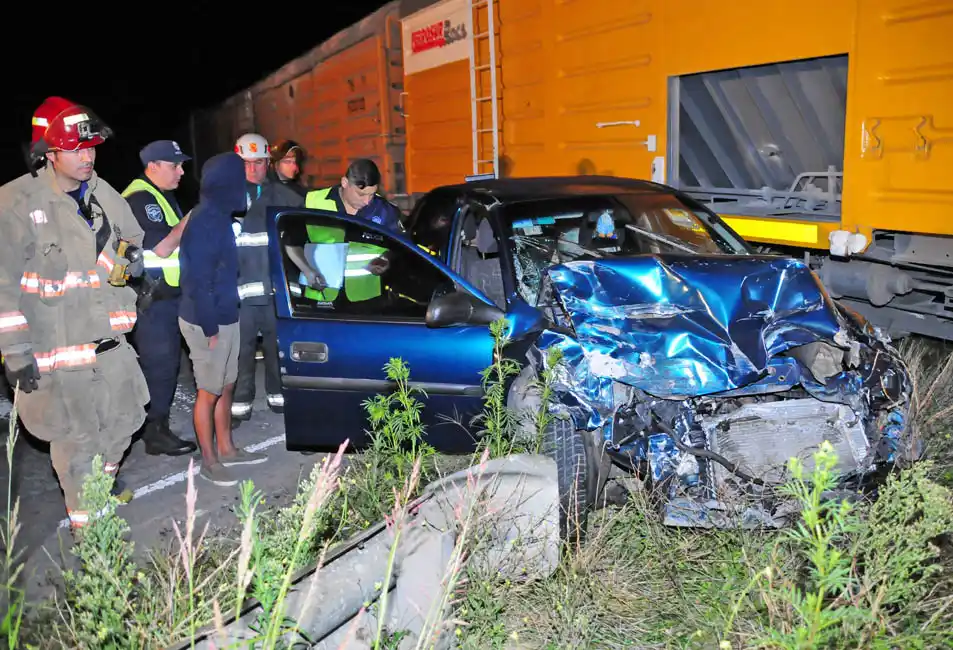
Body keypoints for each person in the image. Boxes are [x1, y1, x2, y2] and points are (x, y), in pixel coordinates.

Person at [0, 96, 149, 531]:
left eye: (91, 148)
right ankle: (93, 538)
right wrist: (16, 353)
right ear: (49, 154)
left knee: (126, 423)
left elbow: (132, 240)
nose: (87, 157)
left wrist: (129, 268)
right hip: (60, 354)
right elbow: (3, 285)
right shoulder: (16, 202)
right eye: (75, 149)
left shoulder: (105, 193)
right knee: (77, 446)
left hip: (111, 344)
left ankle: (100, 491)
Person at [178, 151, 267, 486]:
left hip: (227, 314)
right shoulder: (204, 221)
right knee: (209, 390)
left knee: (226, 384)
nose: (243, 188)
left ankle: (227, 449)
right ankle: (209, 461)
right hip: (207, 320)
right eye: (238, 181)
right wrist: (210, 327)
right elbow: (197, 281)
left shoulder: (220, 217)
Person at [122, 140, 197, 456]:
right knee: (160, 369)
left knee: (167, 367)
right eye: (174, 165)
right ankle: (154, 433)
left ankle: (156, 428)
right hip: (152, 301)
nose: (181, 171)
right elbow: (163, 248)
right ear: (153, 166)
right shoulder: (141, 198)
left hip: (167, 298)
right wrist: (193, 217)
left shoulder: (160, 194)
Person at [230, 134, 304, 425]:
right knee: (241, 353)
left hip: (275, 292)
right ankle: (239, 407)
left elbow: (299, 244)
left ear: (268, 163)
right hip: (241, 295)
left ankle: (280, 400)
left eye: (258, 162)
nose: (253, 169)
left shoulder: (287, 197)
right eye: (246, 163)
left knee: (278, 350)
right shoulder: (225, 200)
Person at [288, 159, 403, 304]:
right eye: (361, 194)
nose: (367, 201)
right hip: (319, 296)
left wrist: (386, 259)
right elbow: (290, 243)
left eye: (372, 194)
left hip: (366, 300)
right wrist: (307, 271)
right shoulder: (312, 203)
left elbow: (400, 247)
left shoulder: (385, 211)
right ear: (345, 182)